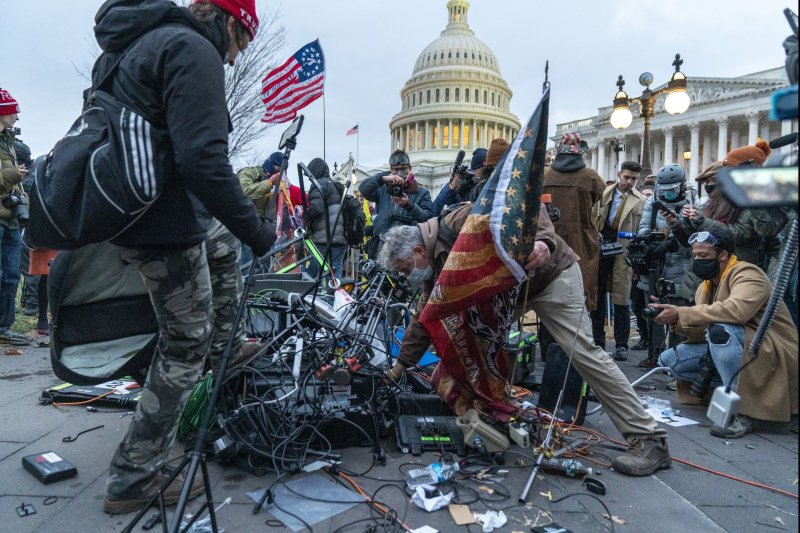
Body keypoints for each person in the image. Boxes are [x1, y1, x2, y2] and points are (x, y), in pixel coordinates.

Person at [93, 0, 276, 515]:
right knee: (183, 343)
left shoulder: (141, 43)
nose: (236, 58)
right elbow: (204, 161)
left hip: (148, 208)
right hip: (160, 221)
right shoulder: (192, 49)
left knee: (219, 247)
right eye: (242, 41)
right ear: (227, 20)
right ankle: (133, 477)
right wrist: (259, 234)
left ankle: (226, 350)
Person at [382, 203, 671, 477]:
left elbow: (530, 206)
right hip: (512, 289)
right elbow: (425, 319)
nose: (408, 276)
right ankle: (496, 414)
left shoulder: (460, 220)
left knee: (582, 351)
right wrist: (398, 369)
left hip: (550, 276)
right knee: (469, 339)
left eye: (406, 269)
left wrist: (544, 241)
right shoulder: (434, 264)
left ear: (419, 250)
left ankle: (649, 439)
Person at [654, 225, 798, 438]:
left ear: (723, 255)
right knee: (669, 360)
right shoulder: (706, 285)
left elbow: (736, 312)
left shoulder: (748, 274)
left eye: (703, 255)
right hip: (741, 346)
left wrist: (682, 312)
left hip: (769, 349)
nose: (697, 260)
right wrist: (673, 318)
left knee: (720, 332)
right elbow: (703, 322)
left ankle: (742, 412)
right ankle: (729, 392)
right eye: (694, 255)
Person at [680, 142, 787, 272]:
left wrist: (702, 221)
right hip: (716, 268)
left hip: (741, 268)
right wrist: (687, 222)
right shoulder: (729, 197)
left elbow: (752, 232)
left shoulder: (759, 197)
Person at [636, 164, 698, 367]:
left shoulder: (693, 204)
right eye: (664, 191)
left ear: (682, 186)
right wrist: (653, 242)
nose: (668, 195)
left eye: (672, 190)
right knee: (653, 313)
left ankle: (677, 359)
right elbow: (643, 229)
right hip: (656, 267)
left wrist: (676, 237)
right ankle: (654, 355)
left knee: (678, 315)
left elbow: (696, 238)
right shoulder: (652, 203)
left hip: (682, 268)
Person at [543, 133, 606, 311]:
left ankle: (548, 337)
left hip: (551, 238)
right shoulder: (591, 177)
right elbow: (599, 197)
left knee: (549, 288)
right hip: (583, 241)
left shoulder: (545, 176)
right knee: (581, 288)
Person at [591, 161, 645, 360]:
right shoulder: (604, 194)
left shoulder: (640, 201)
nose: (629, 182)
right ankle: (598, 340)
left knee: (622, 297)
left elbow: (641, 228)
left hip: (624, 249)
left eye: (634, 179)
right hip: (601, 245)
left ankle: (621, 344)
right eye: (626, 177)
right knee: (596, 295)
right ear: (619, 174)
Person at [0, 88, 31, 346]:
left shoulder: (8, 141)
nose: (17, 117)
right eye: (14, 111)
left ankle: (4, 328)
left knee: (11, 274)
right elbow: (10, 176)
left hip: (10, 217)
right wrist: (13, 175)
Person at [359, 149, 433, 257]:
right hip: (382, 244)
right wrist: (382, 178)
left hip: (407, 247)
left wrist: (409, 205)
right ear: (390, 170)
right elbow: (363, 189)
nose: (399, 173)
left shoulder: (422, 192)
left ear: (410, 169)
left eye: (403, 169)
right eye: (395, 170)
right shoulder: (383, 189)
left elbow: (427, 217)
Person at [237, 151, 283, 266]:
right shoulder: (248, 173)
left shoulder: (276, 185)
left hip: (261, 230)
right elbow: (244, 191)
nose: (277, 173)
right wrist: (269, 182)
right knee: (246, 264)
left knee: (262, 266)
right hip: (244, 226)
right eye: (277, 168)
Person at [304, 157, 347, 280]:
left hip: (323, 238)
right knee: (334, 276)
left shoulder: (319, 184)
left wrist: (304, 214)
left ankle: (305, 298)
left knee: (310, 275)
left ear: (314, 172)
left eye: (309, 174)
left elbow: (317, 208)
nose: (308, 178)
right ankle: (333, 298)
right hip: (340, 238)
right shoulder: (335, 185)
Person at [630, 177, 656, 351]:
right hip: (638, 266)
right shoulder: (637, 214)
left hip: (653, 266)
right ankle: (644, 337)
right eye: (644, 194)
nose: (646, 198)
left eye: (649, 195)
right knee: (637, 305)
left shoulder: (656, 214)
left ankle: (653, 341)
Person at [432, 147, 487, 216]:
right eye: (482, 170)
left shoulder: (492, 187)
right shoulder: (466, 188)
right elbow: (434, 212)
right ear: (473, 172)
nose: (486, 175)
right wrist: (451, 188)